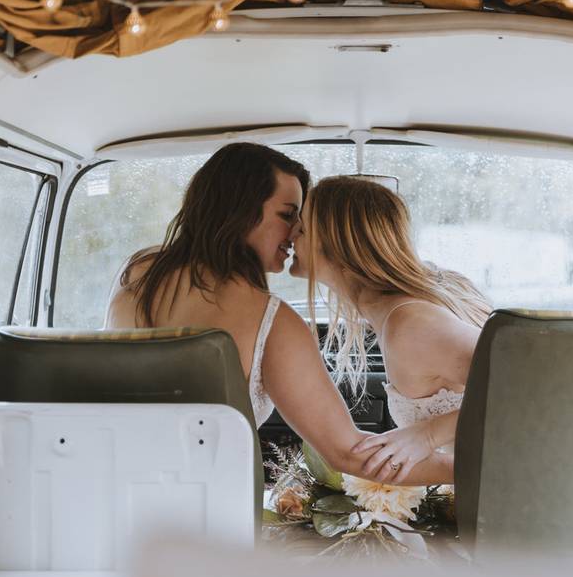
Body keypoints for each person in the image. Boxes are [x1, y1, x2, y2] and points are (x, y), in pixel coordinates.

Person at [105, 143, 452, 485]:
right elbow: (349, 454)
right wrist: (469, 471)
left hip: (102, 486)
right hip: (201, 510)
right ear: (237, 209)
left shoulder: (137, 273)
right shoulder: (272, 321)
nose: (296, 233)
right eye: (287, 216)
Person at [289, 175, 490, 484]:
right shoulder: (397, 311)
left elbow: (534, 384)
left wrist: (426, 437)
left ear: (338, 247)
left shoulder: (411, 325)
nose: (290, 235)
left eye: (301, 228)